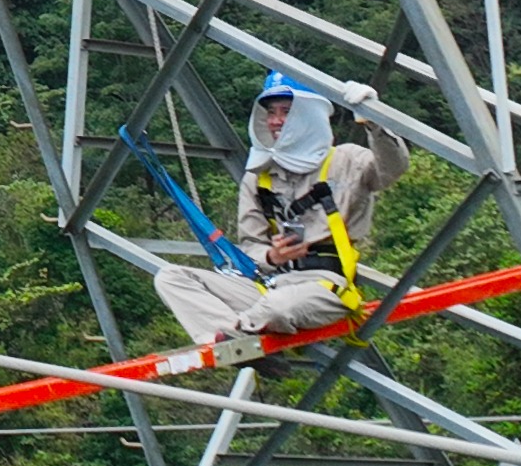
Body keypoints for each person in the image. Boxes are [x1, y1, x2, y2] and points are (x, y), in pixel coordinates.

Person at [145, 68, 409, 359]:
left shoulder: (346, 160)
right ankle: (227, 341)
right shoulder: (258, 177)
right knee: (171, 277)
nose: (275, 121)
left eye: (286, 111)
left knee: (275, 307)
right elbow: (250, 246)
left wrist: (374, 121)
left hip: (323, 285)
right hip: (271, 284)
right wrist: (273, 256)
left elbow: (392, 168)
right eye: (271, 112)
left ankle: (239, 338)